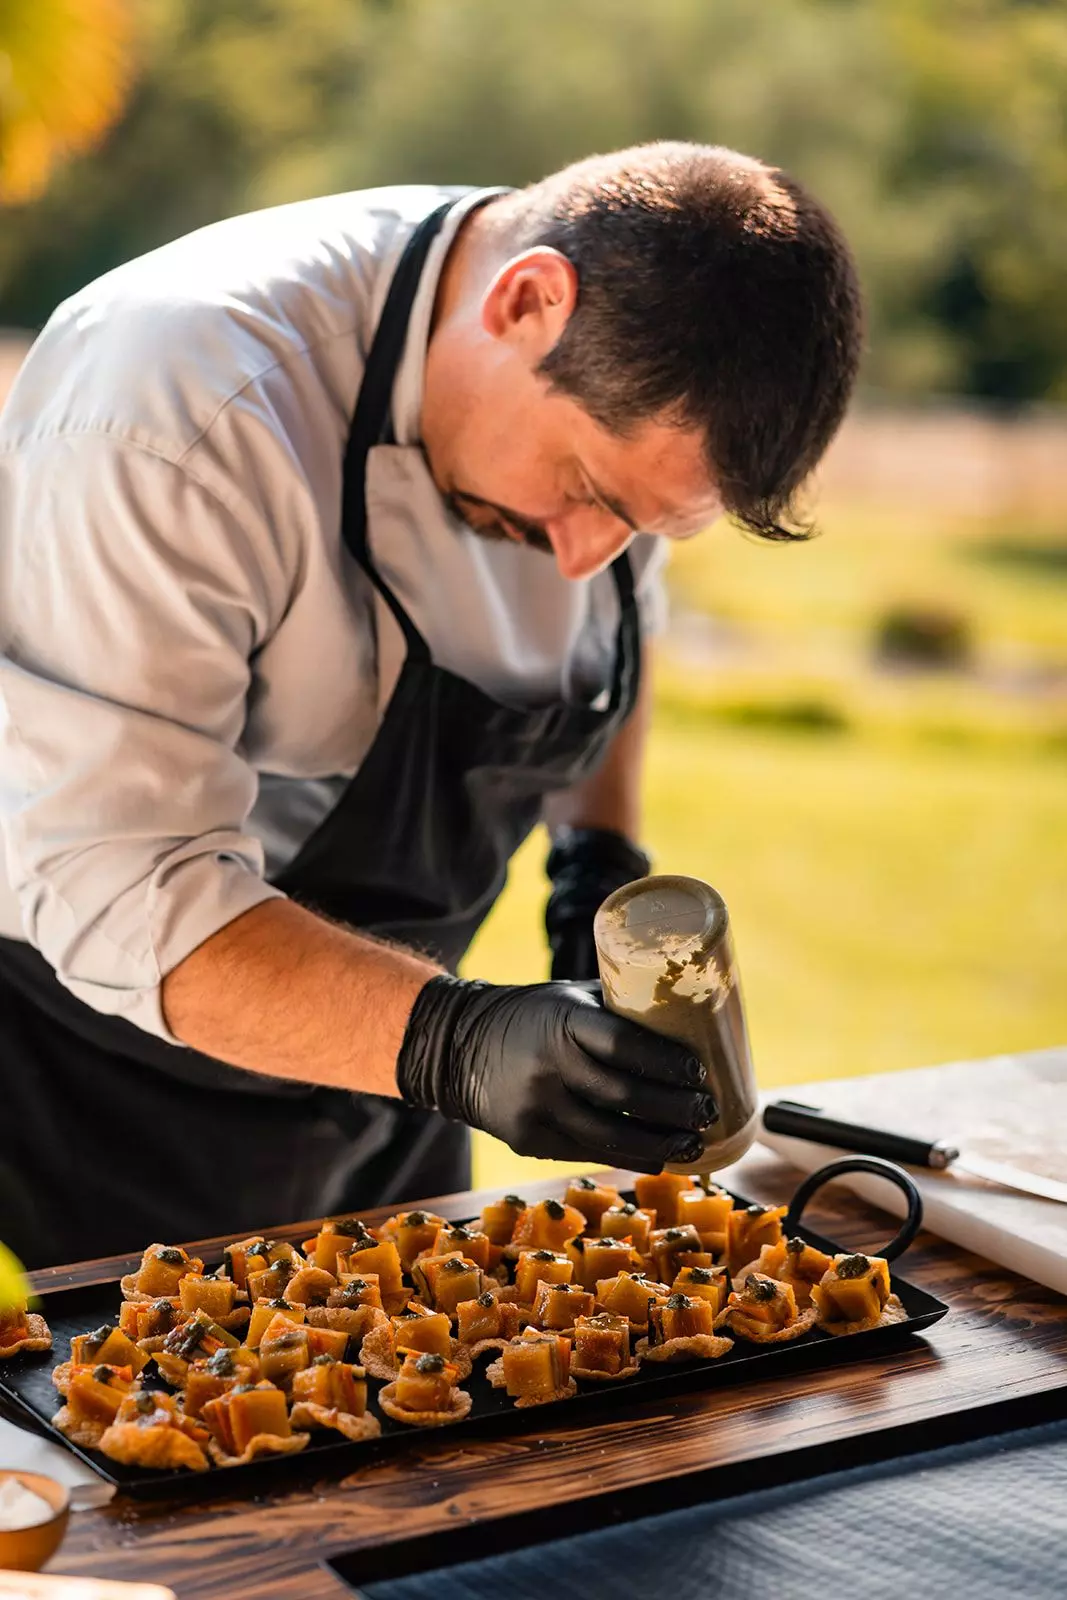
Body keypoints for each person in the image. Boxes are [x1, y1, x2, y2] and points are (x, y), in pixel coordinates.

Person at [0, 142, 862, 1268]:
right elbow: (124, 880)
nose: (582, 560)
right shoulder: (178, 403)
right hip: (91, 1098)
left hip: (387, 1082)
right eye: (588, 494)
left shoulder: (619, 366)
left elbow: (610, 641)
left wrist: (592, 853)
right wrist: (459, 1040)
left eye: (640, 530)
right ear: (526, 302)